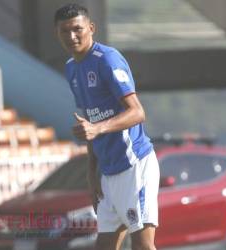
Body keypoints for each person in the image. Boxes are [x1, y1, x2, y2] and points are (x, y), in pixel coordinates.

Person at [54, 3, 160, 250]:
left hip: (134, 166)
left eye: (77, 29)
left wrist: (98, 128)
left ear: (91, 28)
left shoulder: (107, 60)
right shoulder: (72, 68)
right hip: (108, 174)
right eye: (64, 31)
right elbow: (88, 124)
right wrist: (92, 175)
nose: (71, 36)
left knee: (143, 246)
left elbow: (137, 112)